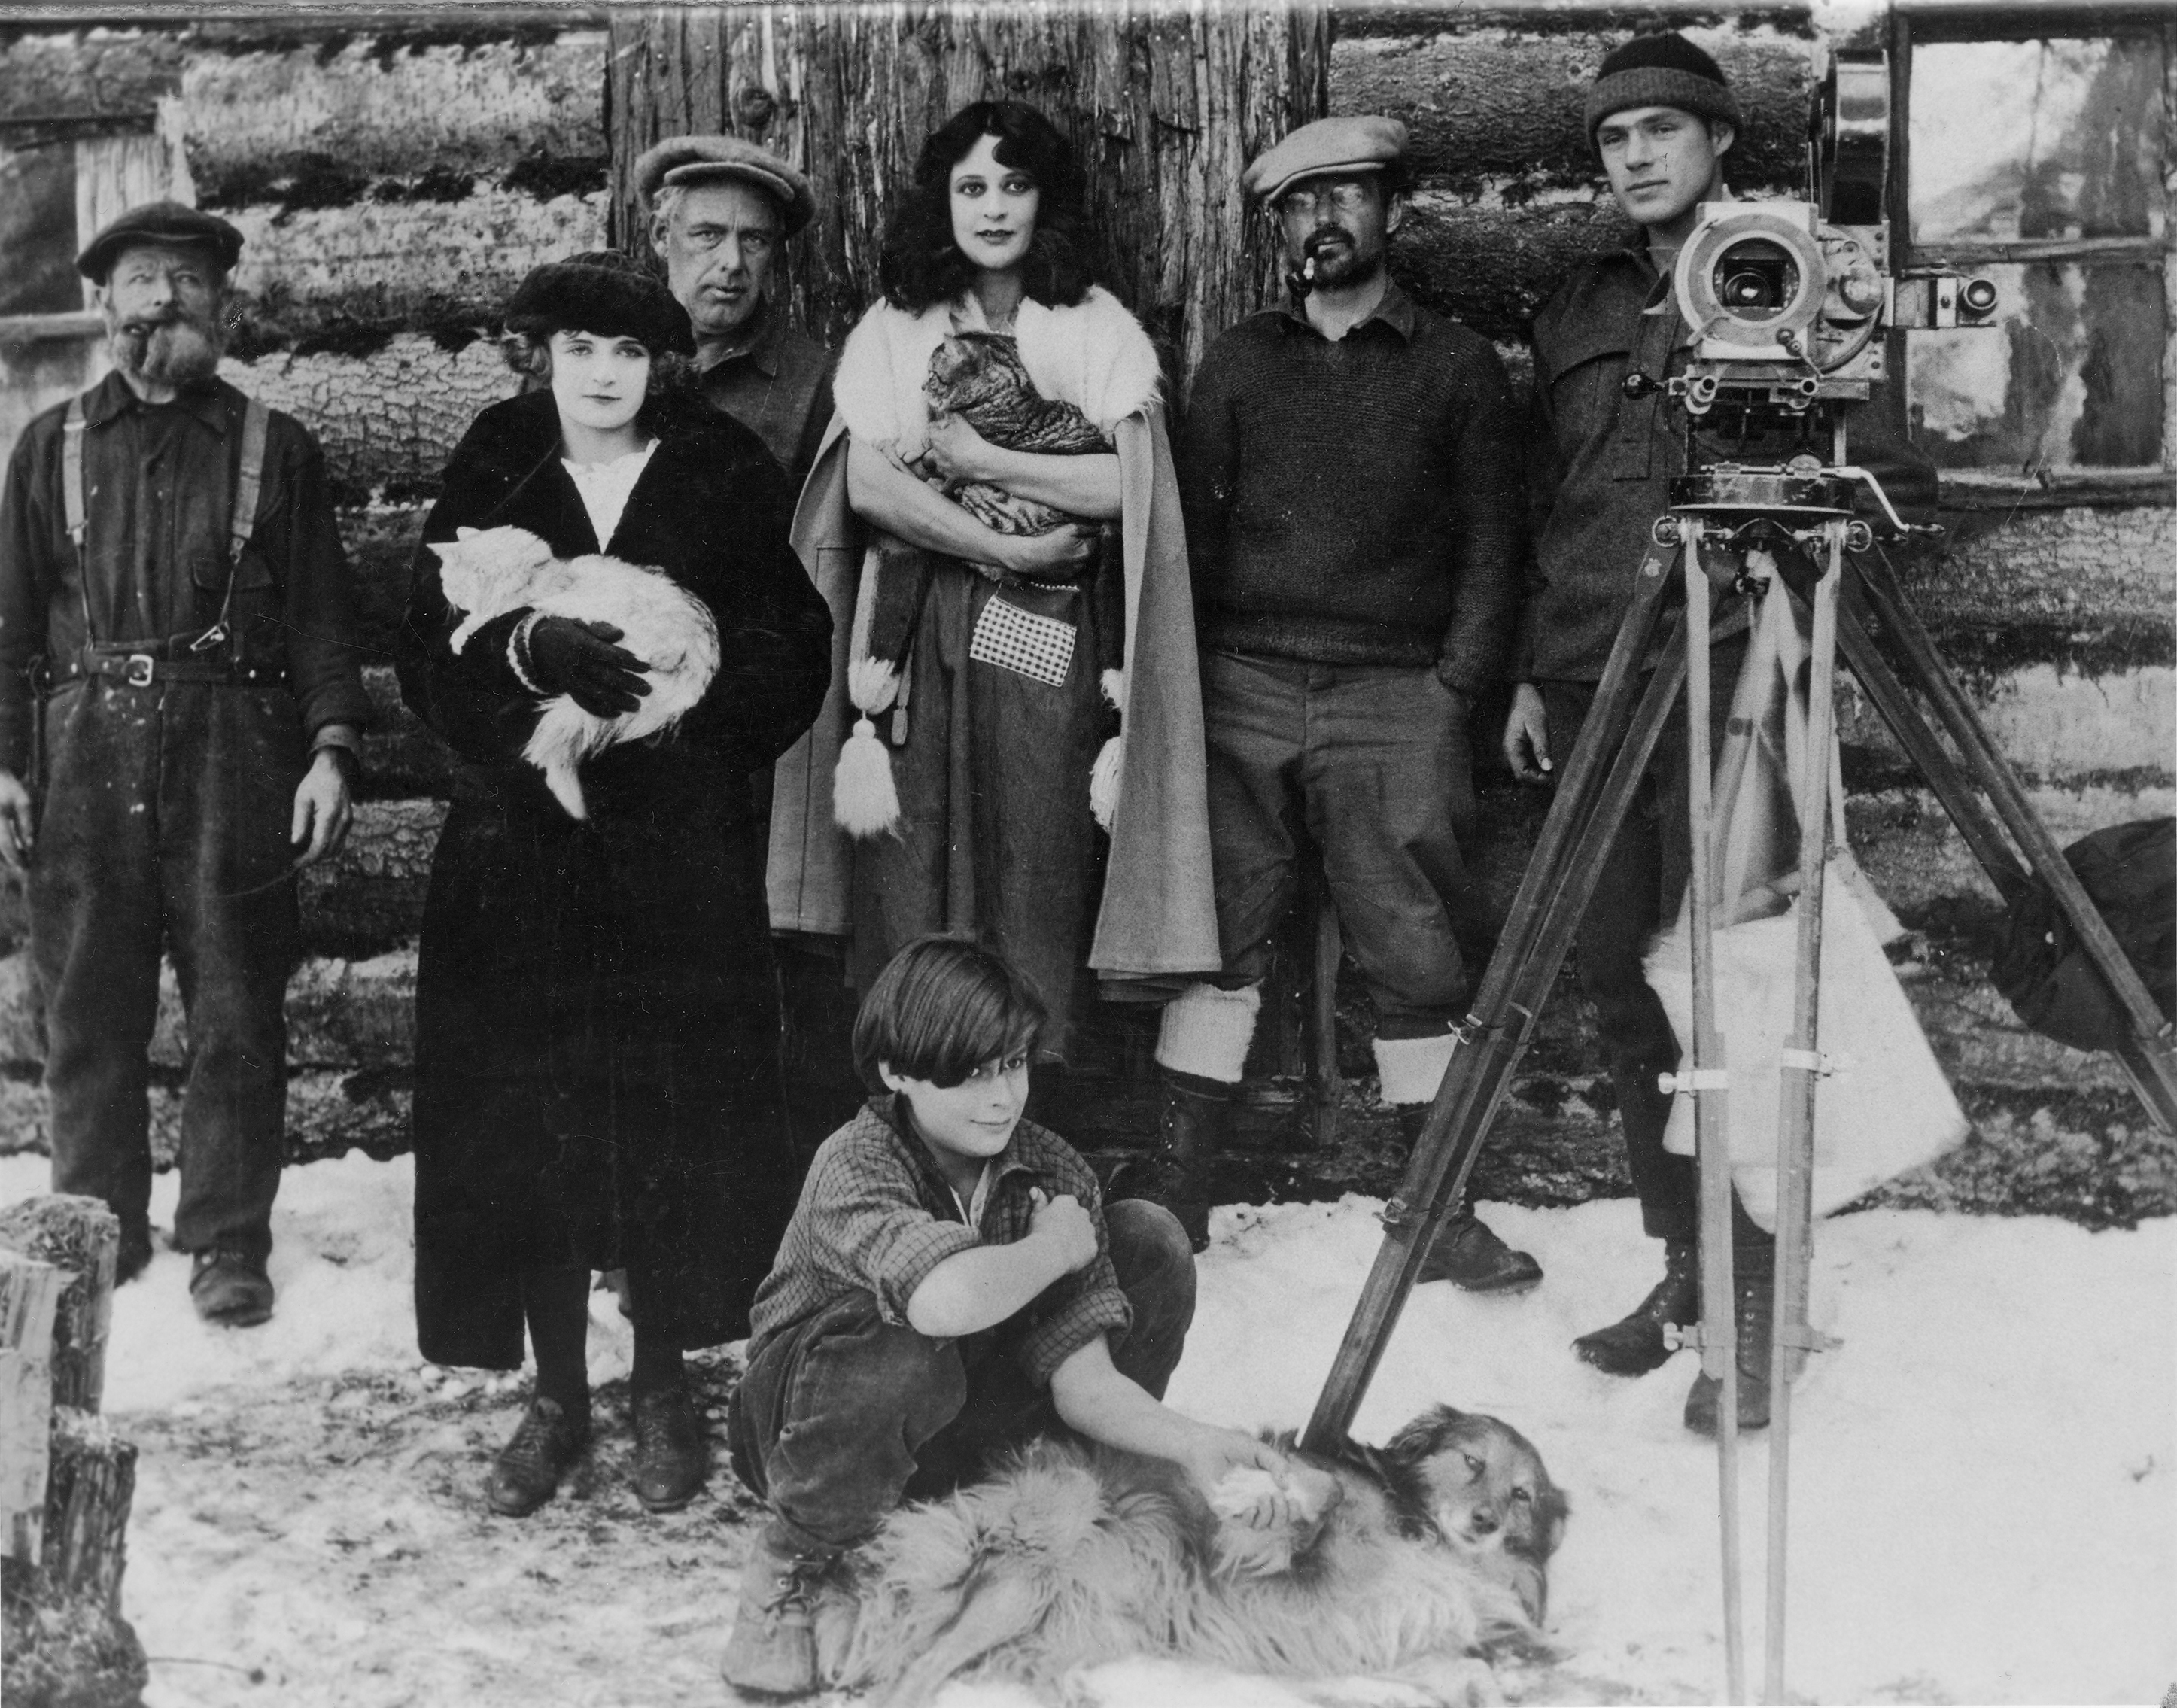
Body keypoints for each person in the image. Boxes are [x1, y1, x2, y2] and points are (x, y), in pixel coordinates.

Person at [1501, 34, 1936, 1433]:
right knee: (1628, 994)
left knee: (1737, 987)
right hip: (1589, 675)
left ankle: (1753, 1305)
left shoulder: (1783, 271)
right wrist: (1523, 671)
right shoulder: (1571, 304)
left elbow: (1878, 455)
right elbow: (1541, 501)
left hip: (1741, 670)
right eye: (1610, 137)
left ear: (1717, 143)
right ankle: (1683, 1268)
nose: (1632, 156)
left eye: (1659, 132)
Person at [395, 252, 832, 1516]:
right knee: (529, 1115)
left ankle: (658, 1384)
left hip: (667, 853)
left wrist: (687, 728)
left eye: (627, 353)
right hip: (517, 852)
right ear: (544, 353)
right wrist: (527, 646)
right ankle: (555, 1397)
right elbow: (427, 645)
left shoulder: (715, 464)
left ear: (662, 364)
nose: (601, 375)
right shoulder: (496, 457)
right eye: (579, 348)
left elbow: (787, 643)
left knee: (663, 1110)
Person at [1154, 117, 1538, 1281]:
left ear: (1389, 213)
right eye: (1299, 205)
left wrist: (1452, 689)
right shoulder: (1239, 361)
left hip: (1394, 694)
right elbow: (1190, 536)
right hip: (1244, 685)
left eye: (1347, 197)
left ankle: (1436, 1203)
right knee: (1215, 931)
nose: (1324, 222)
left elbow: (1493, 543)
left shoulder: (1455, 365)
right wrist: (1198, 682)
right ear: (1277, 226)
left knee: (1414, 940)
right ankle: (1173, 1196)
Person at [720, 935, 1297, 1698]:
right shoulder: (856, 1159)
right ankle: (790, 1567)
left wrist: (1196, 1443)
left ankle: (1047, 1503)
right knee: (907, 1337)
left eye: (1013, 1063)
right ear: (897, 1071)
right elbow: (942, 1299)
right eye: (969, 1072)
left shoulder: (1050, 1168)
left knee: (1148, 1239)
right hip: (812, 1430)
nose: (1001, 1096)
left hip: (953, 1420)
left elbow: (1084, 1379)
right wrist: (1053, 1246)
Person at [765, 100, 1219, 1067]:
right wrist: (1006, 544)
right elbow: (870, 482)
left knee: (1036, 844)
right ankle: (914, 1082)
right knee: (912, 849)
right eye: (972, 187)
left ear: (1044, 201)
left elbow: (1122, 486)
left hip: (1049, 634)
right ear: (944, 201)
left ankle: (1028, 1083)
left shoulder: (1091, 329)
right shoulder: (900, 328)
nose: (995, 208)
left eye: (1015, 185)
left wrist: (977, 457)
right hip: (921, 630)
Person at [0, 202, 369, 1325]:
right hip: (84, 748)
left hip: (236, 754)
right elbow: (9, 626)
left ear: (226, 304)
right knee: (86, 1004)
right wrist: (6, 765)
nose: (167, 299)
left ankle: (226, 1240)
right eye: (144, 279)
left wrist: (331, 750)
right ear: (106, 303)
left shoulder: (276, 447)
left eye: (190, 281)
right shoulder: (48, 444)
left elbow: (321, 621)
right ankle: (92, 1227)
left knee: (236, 1003)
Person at [634, 134, 834, 491]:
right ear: (662, 235)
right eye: (708, 234)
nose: (733, 262)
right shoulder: (597, 351)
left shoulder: (814, 383)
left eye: (754, 239)